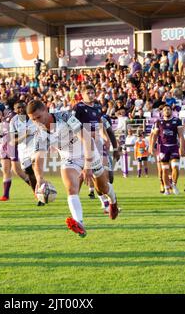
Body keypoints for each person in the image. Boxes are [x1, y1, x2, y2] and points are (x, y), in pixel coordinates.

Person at [27, 100, 120, 238]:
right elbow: (38, 158)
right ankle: (79, 223)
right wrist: (39, 179)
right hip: (69, 159)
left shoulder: (65, 117)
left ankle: (113, 201)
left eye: (39, 117)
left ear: (46, 110)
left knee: (102, 188)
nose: (37, 122)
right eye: (33, 120)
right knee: (71, 189)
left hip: (89, 153)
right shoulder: (39, 133)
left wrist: (88, 165)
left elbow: (86, 139)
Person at [72, 85, 115, 213]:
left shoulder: (97, 107)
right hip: (85, 144)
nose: (90, 95)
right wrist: (87, 135)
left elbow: (100, 123)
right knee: (95, 174)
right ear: (82, 94)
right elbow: (73, 125)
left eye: (92, 92)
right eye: (88, 93)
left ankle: (107, 202)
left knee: (105, 174)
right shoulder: (78, 107)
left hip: (98, 142)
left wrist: (105, 137)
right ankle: (105, 202)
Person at [9, 101, 44, 206]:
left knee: (36, 169)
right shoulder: (14, 121)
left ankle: (40, 198)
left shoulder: (35, 117)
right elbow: (12, 141)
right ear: (15, 110)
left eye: (22, 107)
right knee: (30, 173)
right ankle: (38, 194)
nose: (21, 109)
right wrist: (24, 135)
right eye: (18, 108)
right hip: (23, 149)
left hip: (36, 146)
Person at [149, 105, 185, 195]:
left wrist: (182, 148)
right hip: (163, 148)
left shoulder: (177, 121)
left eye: (168, 109)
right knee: (164, 169)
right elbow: (154, 135)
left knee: (175, 167)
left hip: (174, 146)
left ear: (171, 111)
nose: (167, 111)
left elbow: (181, 136)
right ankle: (166, 189)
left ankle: (174, 185)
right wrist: (151, 147)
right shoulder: (158, 122)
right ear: (162, 112)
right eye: (165, 110)